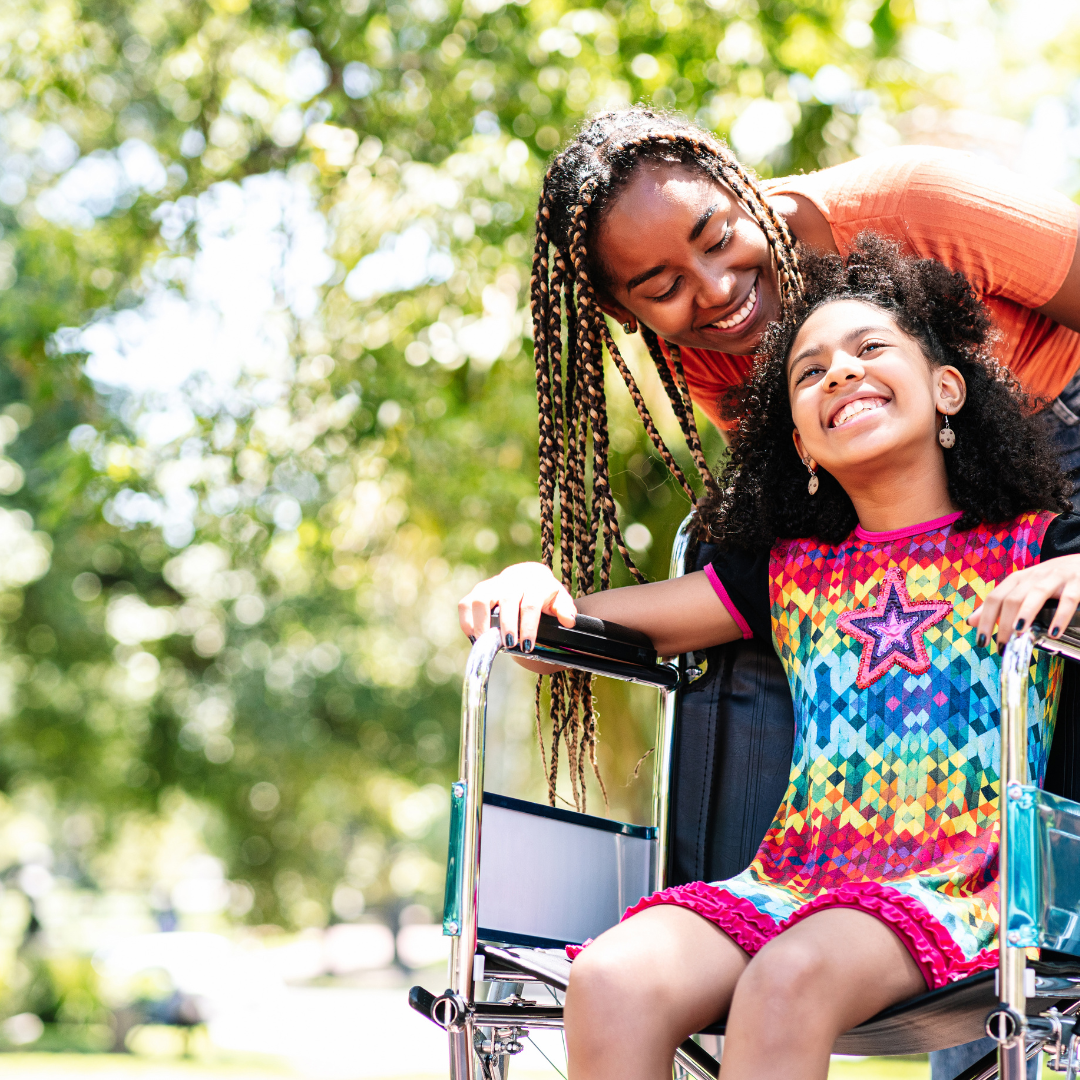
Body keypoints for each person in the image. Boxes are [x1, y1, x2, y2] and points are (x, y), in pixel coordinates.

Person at [460, 237, 1080, 1080]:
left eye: (869, 350)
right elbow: (578, 632)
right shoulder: (785, 571)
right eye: (810, 372)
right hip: (791, 875)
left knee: (786, 976)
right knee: (609, 977)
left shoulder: (1038, 544)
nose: (840, 375)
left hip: (969, 884)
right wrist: (535, 587)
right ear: (799, 443)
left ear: (946, 388)